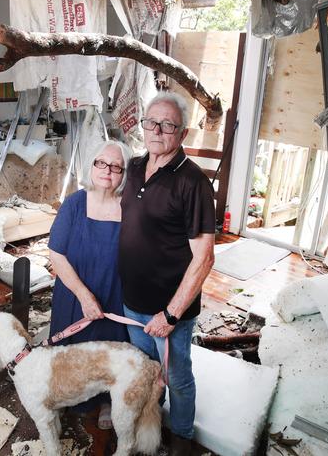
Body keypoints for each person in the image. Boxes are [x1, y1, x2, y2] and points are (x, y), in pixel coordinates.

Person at [118, 92, 216, 455]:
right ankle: (149, 426)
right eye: (150, 122)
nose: (157, 130)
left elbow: (204, 259)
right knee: (145, 374)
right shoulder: (133, 168)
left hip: (168, 311)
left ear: (183, 133)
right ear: (142, 125)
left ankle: (182, 439)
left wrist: (171, 313)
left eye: (168, 125)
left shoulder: (193, 183)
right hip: (132, 303)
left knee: (176, 378)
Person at [48, 139, 132, 430]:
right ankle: (69, 396)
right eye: (101, 163)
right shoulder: (74, 203)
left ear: (124, 174)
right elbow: (56, 254)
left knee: (110, 351)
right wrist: (84, 296)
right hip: (74, 294)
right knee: (72, 353)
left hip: (113, 293)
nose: (107, 171)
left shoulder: (130, 208)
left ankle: (107, 401)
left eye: (116, 167)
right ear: (92, 165)